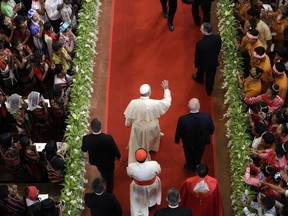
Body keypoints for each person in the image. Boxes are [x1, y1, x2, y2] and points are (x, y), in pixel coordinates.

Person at [124, 80, 171, 164]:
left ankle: (140, 153)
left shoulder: (133, 103)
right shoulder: (154, 103)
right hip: (151, 127)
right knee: (152, 137)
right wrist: (166, 89)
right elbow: (167, 103)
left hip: (138, 127)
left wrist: (127, 123)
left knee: (138, 142)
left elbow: (129, 115)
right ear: (149, 92)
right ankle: (150, 147)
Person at [81, 118, 121, 193]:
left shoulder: (86, 139)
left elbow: (83, 149)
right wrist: (119, 156)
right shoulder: (108, 138)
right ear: (100, 127)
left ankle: (103, 177)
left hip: (96, 162)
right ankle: (109, 192)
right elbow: (114, 149)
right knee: (110, 179)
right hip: (108, 162)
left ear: (91, 128)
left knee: (101, 171)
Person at [174, 98, 214, 172]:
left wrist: (177, 140)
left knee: (188, 154)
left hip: (188, 142)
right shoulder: (207, 116)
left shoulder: (182, 119)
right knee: (199, 153)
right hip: (201, 141)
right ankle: (197, 165)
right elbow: (211, 130)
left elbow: (179, 131)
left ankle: (189, 166)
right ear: (199, 106)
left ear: (188, 107)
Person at [127, 148, 161, 216]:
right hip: (152, 184)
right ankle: (151, 204)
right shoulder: (153, 164)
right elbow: (159, 171)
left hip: (138, 186)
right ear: (146, 157)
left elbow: (130, 175)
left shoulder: (131, 166)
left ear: (136, 158)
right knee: (152, 193)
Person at [192, 23, 221, 96]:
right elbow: (218, 49)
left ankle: (199, 79)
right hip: (213, 61)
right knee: (210, 77)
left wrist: (196, 64)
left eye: (201, 28)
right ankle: (209, 91)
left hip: (203, 62)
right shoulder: (217, 38)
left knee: (201, 71)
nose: (200, 29)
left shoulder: (200, 43)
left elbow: (197, 56)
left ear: (205, 31)